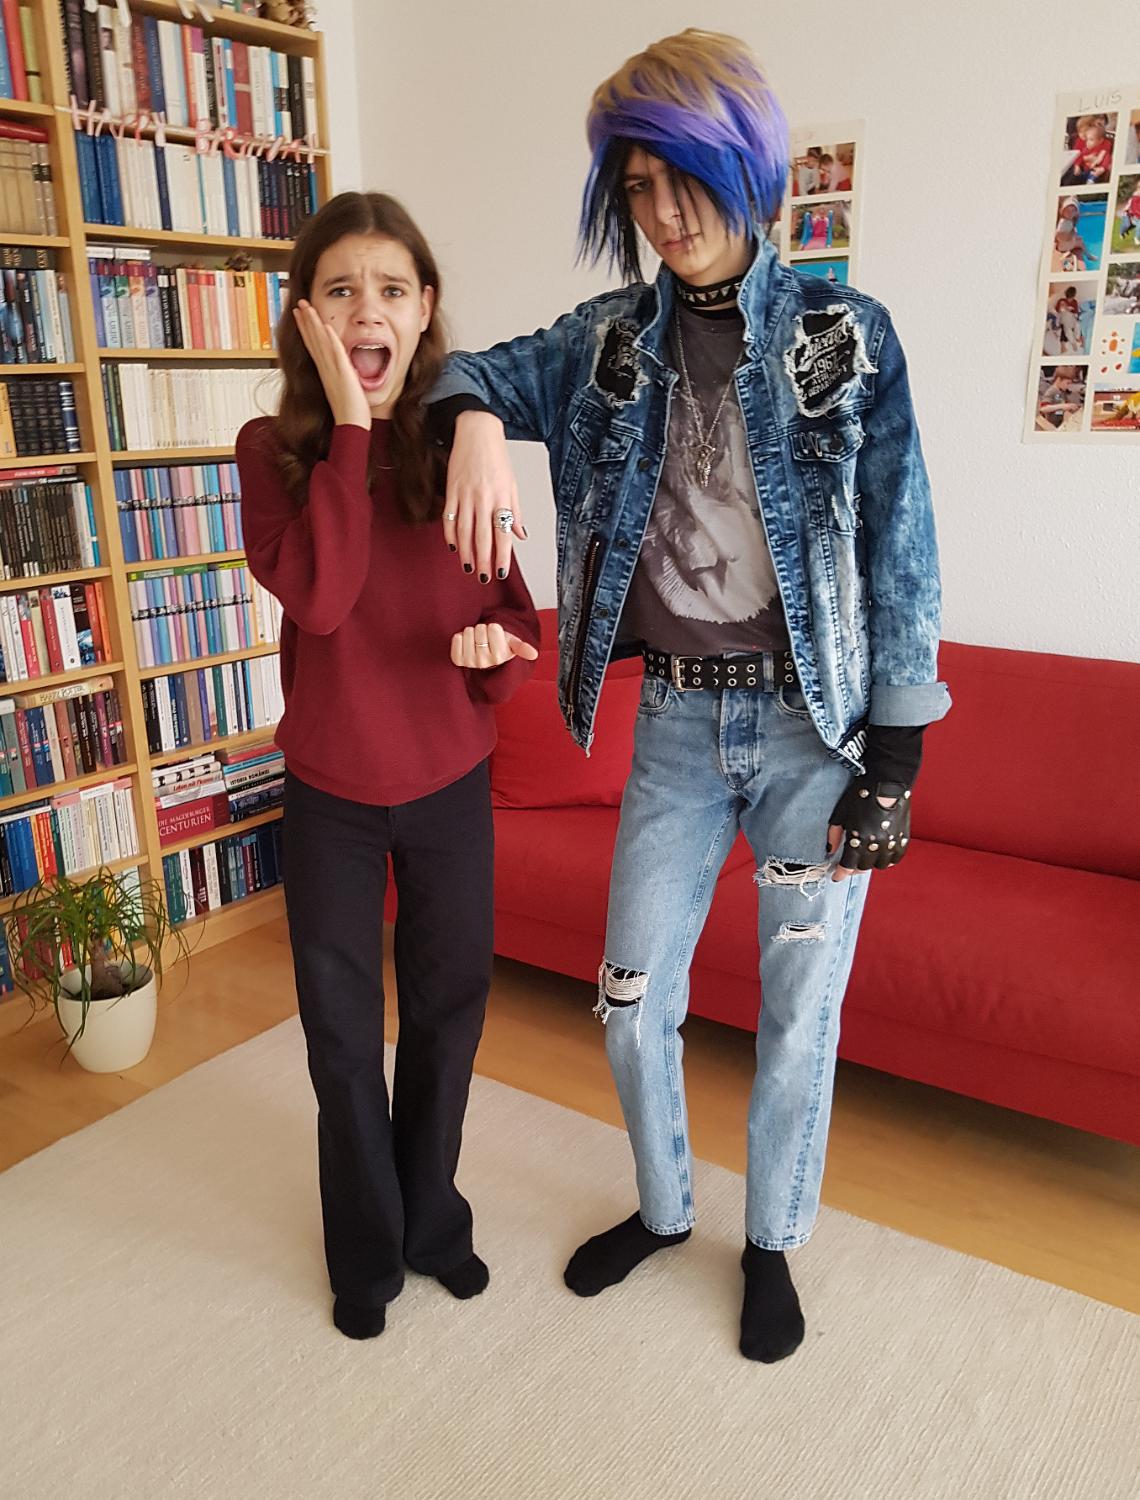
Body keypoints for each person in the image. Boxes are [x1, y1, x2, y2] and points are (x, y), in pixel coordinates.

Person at [428, 27, 949, 1364]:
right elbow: (463, 372)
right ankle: (666, 1209)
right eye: (638, 188)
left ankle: (770, 1240)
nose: (662, 214)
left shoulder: (846, 336)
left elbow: (901, 549)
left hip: (814, 739)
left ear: (747, 164)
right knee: (628, 993)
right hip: (672, 726)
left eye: (684, 179)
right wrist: (476, 423)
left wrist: (896, 765)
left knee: (797, 1014)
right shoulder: (606, 342)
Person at [236, 192, 539, 1341]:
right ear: (307, 316)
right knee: (341, 1033)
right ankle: (365, 1255)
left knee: (450, 1015)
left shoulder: (462, 447)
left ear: (425, 310)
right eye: (341, 289)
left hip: (450, 782)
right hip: (331, 794)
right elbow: (321, 597)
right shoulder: (273, 454)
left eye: (392, 288)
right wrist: (353, 427)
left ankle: (432, 1225)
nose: (369, 308)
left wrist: (497, 652)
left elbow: (515, 615)